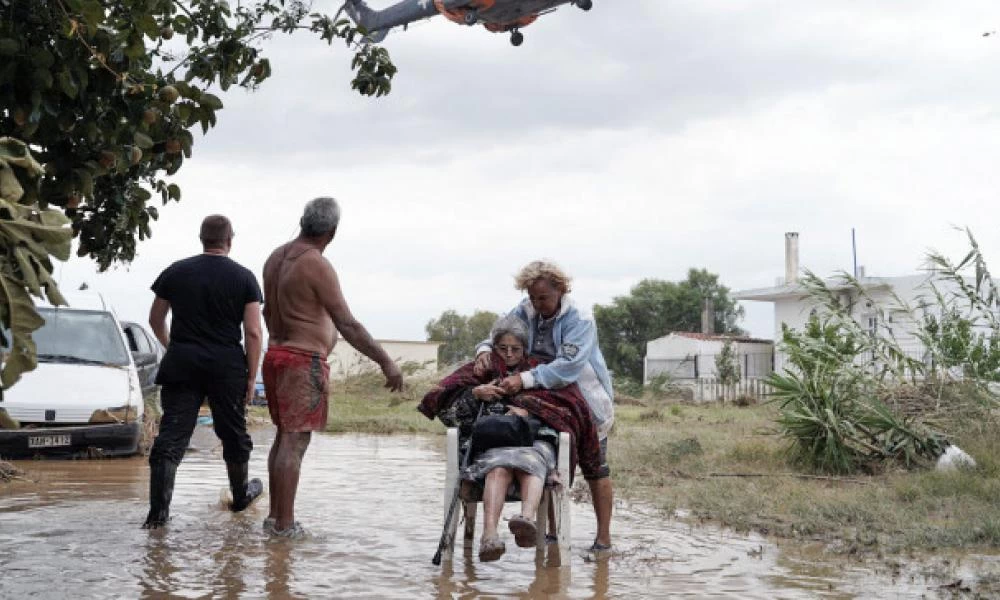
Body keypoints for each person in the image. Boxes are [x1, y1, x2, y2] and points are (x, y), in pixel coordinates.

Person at [261, 197, 404, 538]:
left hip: (277, 356)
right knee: (294, 443)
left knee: (284, 439)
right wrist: (386, 362)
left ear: (302, 221)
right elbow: (347, 324)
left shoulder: (275, 258)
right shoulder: (316, 264)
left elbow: (267, 314)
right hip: (301, 362)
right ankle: (285, 526)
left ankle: (274, 519)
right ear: (333, 232)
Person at [419, 315, 605, 561]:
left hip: (534, 443)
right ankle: (489, 537)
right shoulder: (480, 370)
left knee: (531, 464)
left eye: (515, 349)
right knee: (498, 468)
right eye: (502, 348)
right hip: (493, 445)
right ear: (493, 347)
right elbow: (449, 413)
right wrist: (475, 395)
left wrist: (531, 412)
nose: (508, 354)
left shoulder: (542, 371)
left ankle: (526, 521)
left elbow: (569, 412)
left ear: (525, 348)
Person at [474, 260, 615, 551]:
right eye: (533, 297)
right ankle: (551, 533)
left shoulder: (580, 319)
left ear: (561, 290)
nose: (537, 304)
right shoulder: (525, 310)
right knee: (549, 455)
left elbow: (568, 367)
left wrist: (523, 379)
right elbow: (500, 332)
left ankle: (603, 538)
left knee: (596, 467)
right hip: (542, 397)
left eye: (544, 298)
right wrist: (485, 349)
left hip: (582, 399)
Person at [143, 215, 264, 529]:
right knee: (233, 433)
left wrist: (174, 346)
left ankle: (158, 517)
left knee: (172, 437)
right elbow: (253, 332)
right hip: (227, 368)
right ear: (230, 240)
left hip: (182, 364)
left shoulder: (176, 271)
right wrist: (252, 377)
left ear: (201, 239)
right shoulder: (244, 278)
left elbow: (155, 319)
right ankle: (240, 497)